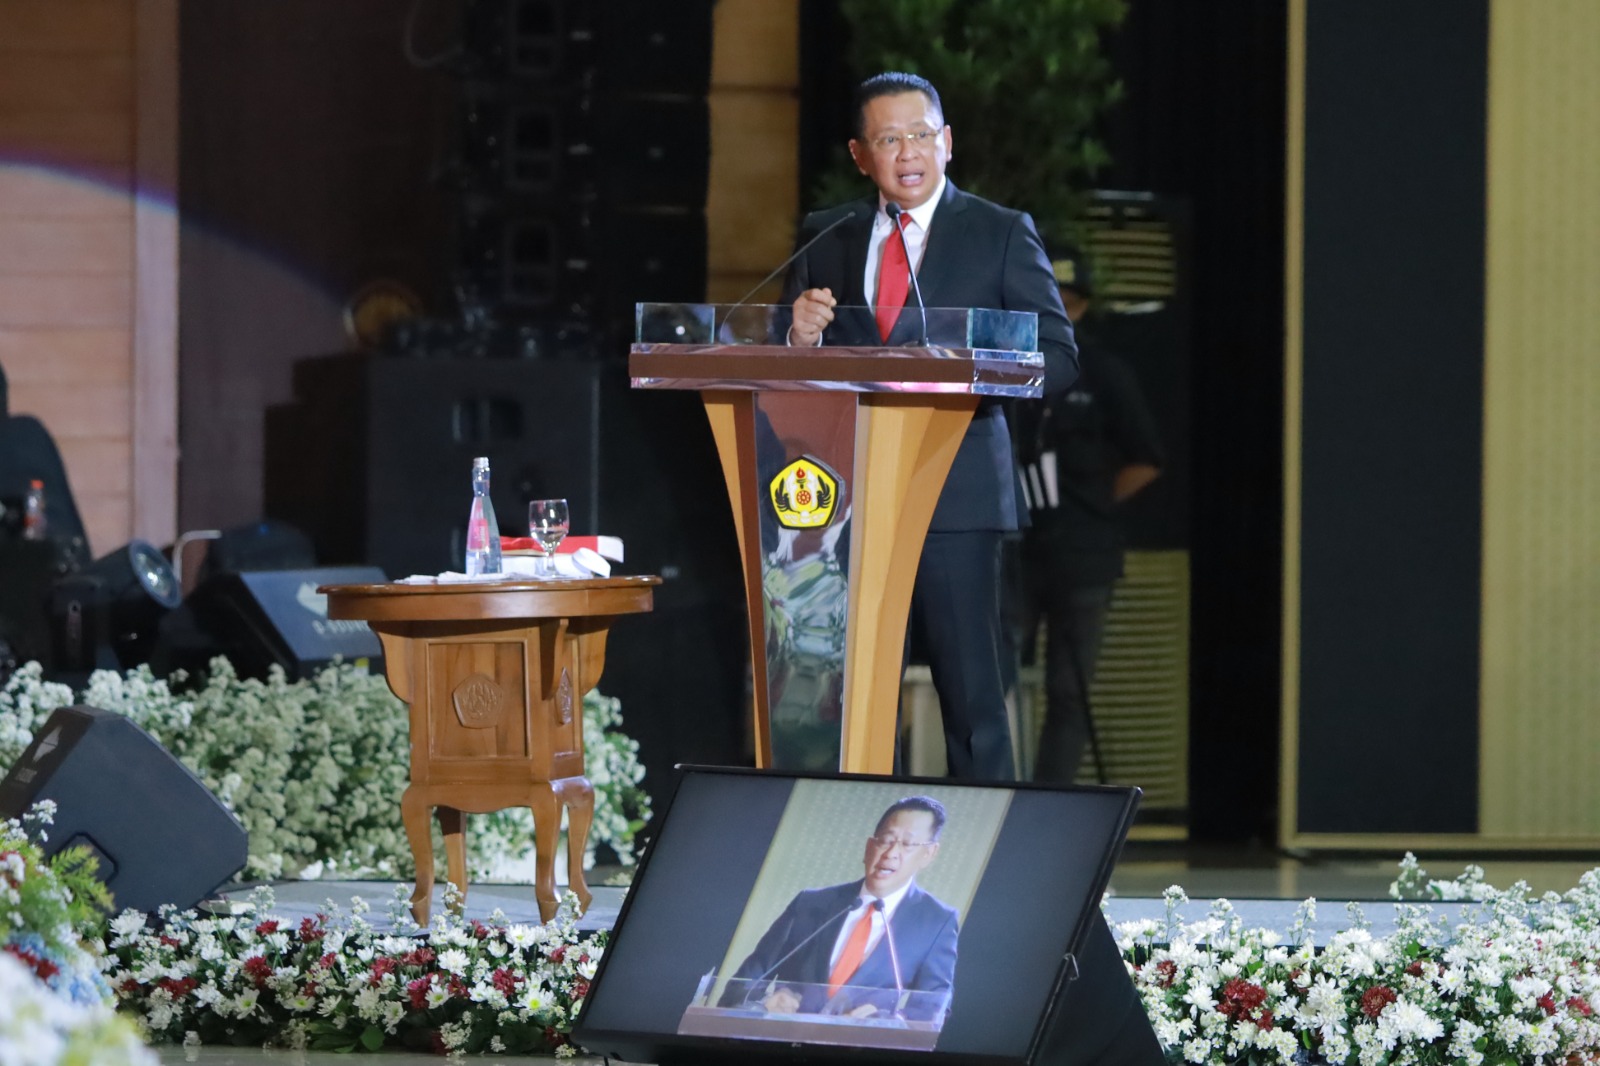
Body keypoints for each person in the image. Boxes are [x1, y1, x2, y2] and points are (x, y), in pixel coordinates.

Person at [783, 71, 1077, 781]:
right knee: (850, 704)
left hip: (957, 495)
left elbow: (1060, 358)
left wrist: (978, 370)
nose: (907, 151)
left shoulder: (1001, 234)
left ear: (946, 143)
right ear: (862, 155)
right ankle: (850, 858)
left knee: (973, 701)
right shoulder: (828, 236)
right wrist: (798, 340)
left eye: (920, 135)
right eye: (888, 138)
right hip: (846, 504)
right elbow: (789, 376)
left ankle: (986, 872)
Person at [1016, 248, 1163, 784]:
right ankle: (989, 792)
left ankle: (1050, 797)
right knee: (998, 677)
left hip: (1084, 554)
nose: (1061, 315)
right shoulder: (1013, 369)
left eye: (1070, 305)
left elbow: (1147, 459)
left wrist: (1096, 506)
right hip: (1018, 549)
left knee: (1069, 689)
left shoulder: (1104, 373)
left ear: (1081, 310)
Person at [720, 796, 959, 1021]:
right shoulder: (810, 903)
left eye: (907, 844)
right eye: (886, 840)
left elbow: (934, 1006)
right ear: (869, 846)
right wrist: (761, 1003)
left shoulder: (936, 922)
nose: (890, 853)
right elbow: (744, 982)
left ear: (929, 853)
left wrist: (885, 1022)